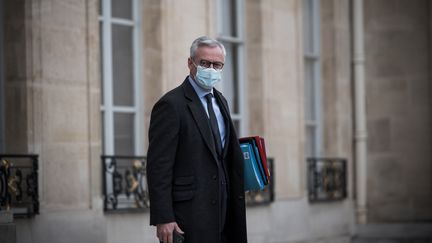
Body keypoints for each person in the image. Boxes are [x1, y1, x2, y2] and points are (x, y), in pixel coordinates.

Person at [146, 36, 247, 243]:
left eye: (217, 65)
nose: (211, 69)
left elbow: (221, 152)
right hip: (189, 215)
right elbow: (159, 166)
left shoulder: (221, 101)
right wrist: (163, 217)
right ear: (190, 63)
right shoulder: (170, 104)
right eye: (204, 63)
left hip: (225, 211)